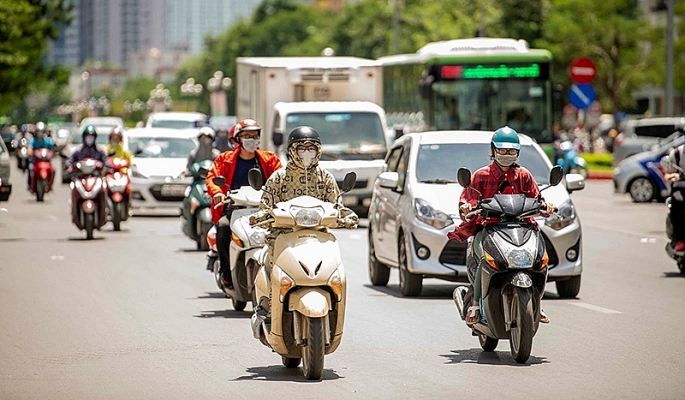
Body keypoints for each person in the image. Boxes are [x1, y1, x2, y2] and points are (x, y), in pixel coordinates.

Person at [447, 126, 555, 325]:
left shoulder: (524, 176)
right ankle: (476, 305)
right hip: (489, 229)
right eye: (502, 151)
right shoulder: (481, 176)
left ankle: (537, 303)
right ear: (493, 150)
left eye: (511, 151)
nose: (507, 155)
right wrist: (466, 207)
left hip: (522, 228)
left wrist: (546, 206)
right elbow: (467, 199)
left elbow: (537, 199)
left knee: (541, 260)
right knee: (484, 260)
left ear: (517, 152)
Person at [250, 126, 358, 313]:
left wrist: (347, 217)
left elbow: (337, 206)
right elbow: (265, 206)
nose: (307, 152)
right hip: (283, 236)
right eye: (302, 148)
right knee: (271, 266)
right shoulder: (279, 178)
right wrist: (262, 216)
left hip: (319, 237)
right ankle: (269, 307)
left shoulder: (325, 178)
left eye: (311, 148)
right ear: (292, 150)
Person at [205, 119, 282, 289]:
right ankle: (226, 272)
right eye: (247, 135)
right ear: (238, 139)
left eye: (254, 135)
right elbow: (212, 178)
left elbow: (281, 179)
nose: (251, 139)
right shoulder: (225, 159)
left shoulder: (269, 159)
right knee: (223, 228)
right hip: (235, 209)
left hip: (263, 209)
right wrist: (217, 192)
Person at [664, 143, 685, 252]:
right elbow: (667, 174)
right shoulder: (677, 153)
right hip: (680, 188)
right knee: (678, 202)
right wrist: (674, 176)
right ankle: (680, 238)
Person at [27, 122, 54, 187]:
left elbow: (52, 149)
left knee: (53, 170)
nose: (40, 133)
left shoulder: (48, 140)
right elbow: (30, 148)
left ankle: (50, 184)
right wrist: (31, 152)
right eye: (39, 131)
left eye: (42, 131)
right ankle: (30, 184)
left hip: (46, 160)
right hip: (36, 160)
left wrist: (52, 153)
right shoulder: (33, 140)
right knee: (30, 168)